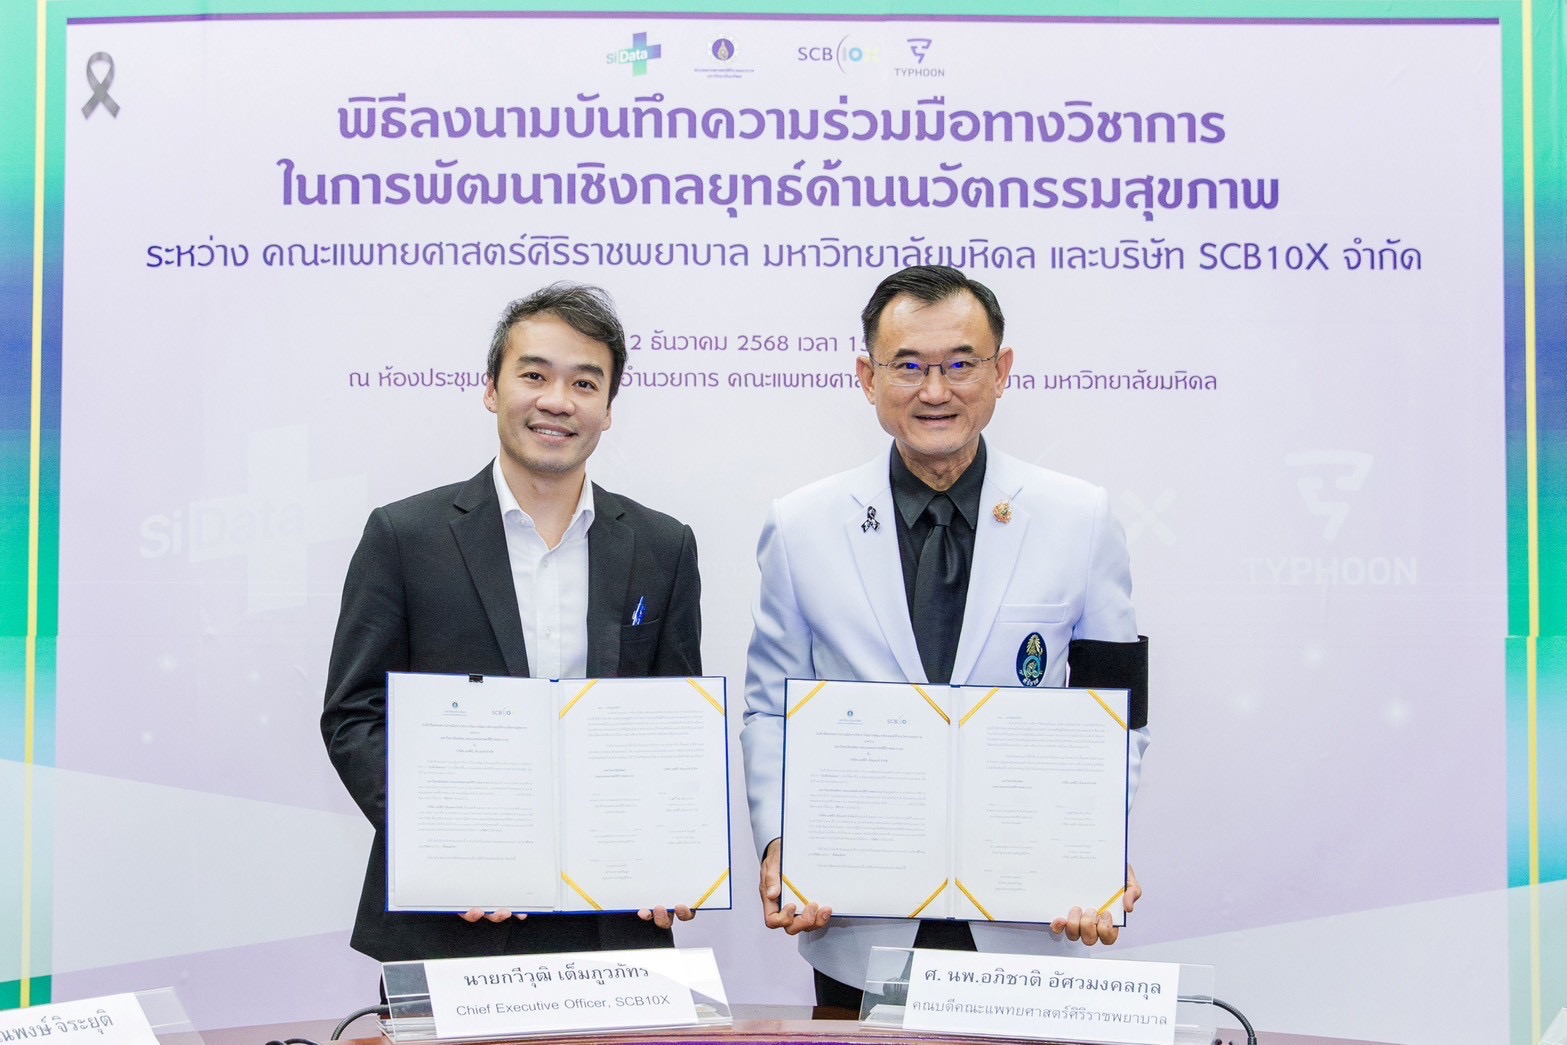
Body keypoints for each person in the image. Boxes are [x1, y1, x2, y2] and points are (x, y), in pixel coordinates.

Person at [739, 265, 1149, 1009]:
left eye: (961, 364)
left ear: (1002, 372)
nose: (935, 391)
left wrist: (1094, 850)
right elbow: (769, 708)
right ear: (868, 378)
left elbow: (1117, 713)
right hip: (856, 921)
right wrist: (779, 843)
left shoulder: (1079, 518)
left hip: (1027, 917)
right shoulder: (801, 526)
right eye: (908, 366)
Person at [322, 282, 701, 963]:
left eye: (584, 383)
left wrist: (671, 846)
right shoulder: (404, 537)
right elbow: (355, 714)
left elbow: (673, 722)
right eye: (534, 375)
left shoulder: (662, 546)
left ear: (608, 408)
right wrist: (444, 842)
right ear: (491, 389)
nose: (558, 401)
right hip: (450, 916)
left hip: (613, 919)